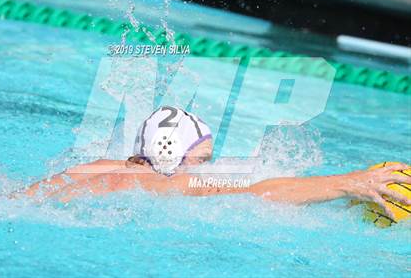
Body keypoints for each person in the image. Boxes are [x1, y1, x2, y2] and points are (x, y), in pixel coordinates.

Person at [23, 106, 411, 219]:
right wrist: (348, 183)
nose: (208, 168)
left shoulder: (101, 168)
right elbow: (260, 193)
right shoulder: (163, 184)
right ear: (173, 157)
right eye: (203, 159)